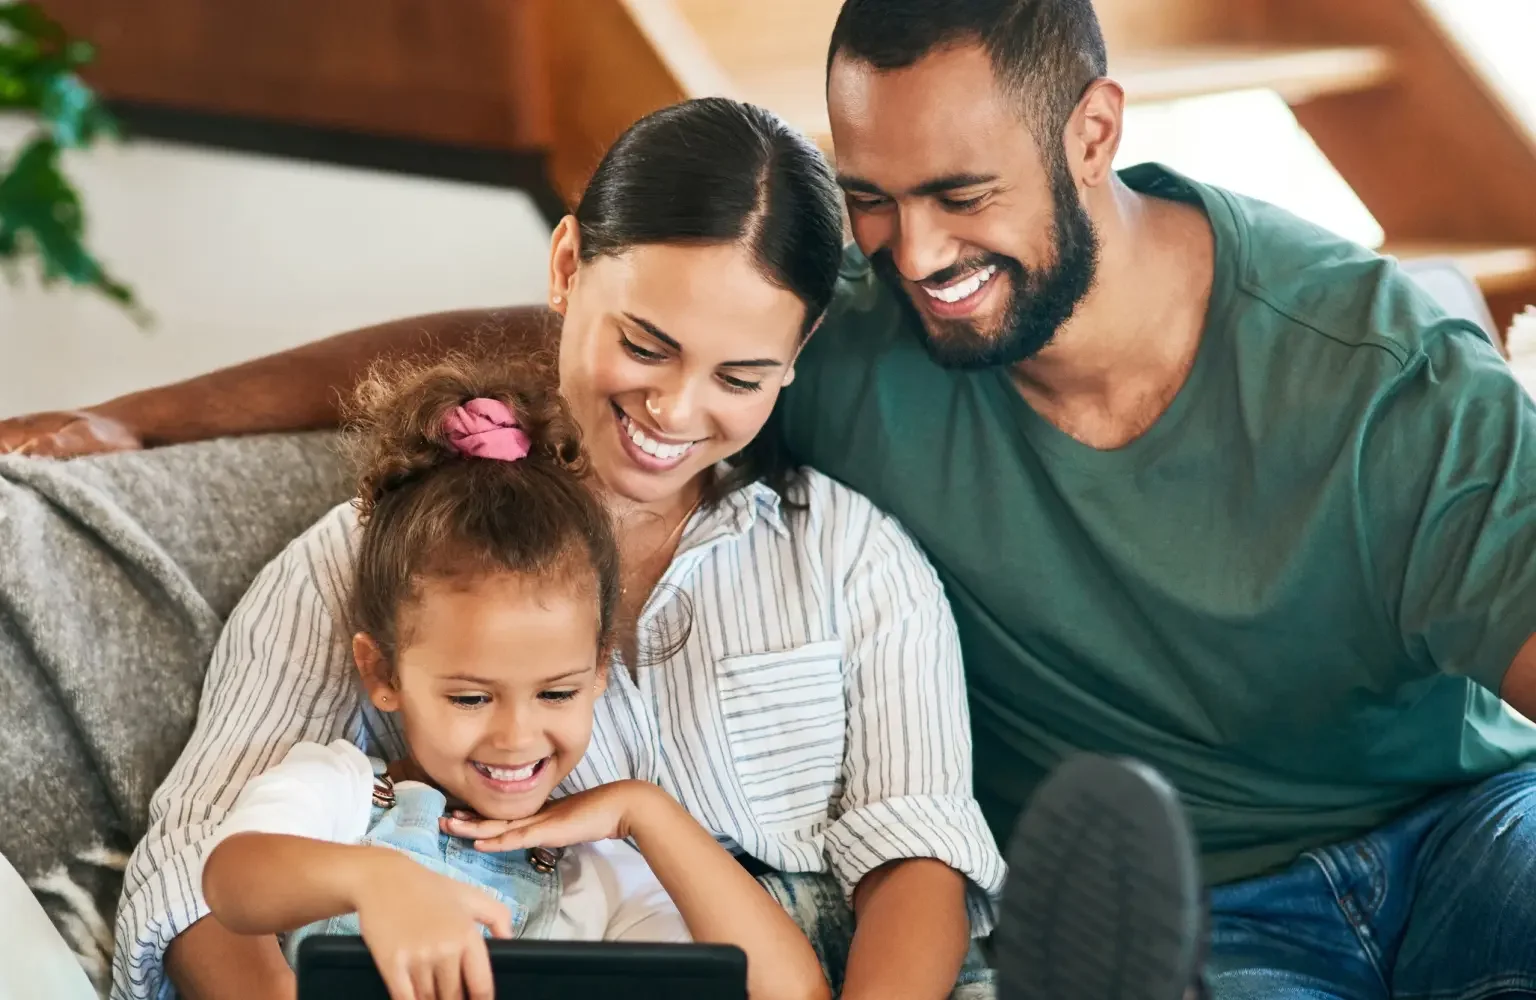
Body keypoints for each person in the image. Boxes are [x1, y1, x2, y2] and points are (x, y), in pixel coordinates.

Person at [10, 0, 1536, 996]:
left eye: (961, 198)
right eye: (876, 201)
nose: (921, 254)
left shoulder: (1359, 379)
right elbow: (201, 876)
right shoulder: (395, 543)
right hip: (1209, 912)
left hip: (1454, 826)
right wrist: (134, 419)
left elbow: (916, 852)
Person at [95, 96, 1004, 1000]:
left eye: (740, 376)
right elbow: (197, 876)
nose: (676, 413)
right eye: (647, 346)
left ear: (799, 348)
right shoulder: (376, 555)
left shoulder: (851, 556)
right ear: (567, 267)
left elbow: (918, 853)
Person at [197, 354, 832, 1000]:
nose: (516, 735)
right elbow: (229, 880)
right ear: (382, 672)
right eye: (471, 697)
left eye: (557, 692)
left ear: (599, 671)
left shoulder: (603, 877)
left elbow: (791, 993)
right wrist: (374, 879)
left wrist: (647, 812)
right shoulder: (343, 798)